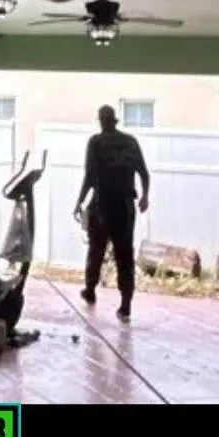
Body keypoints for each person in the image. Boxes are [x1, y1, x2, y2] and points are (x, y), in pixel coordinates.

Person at [74, 105, 150, 321]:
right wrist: (145, 196)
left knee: (96, 250)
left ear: (101, 121)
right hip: (125, 207)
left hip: (102, 205)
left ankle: (90, 290)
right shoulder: (130, 142)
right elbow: (144, 173)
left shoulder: (96, 142)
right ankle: (126, 304)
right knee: (125, 254)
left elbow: (89, 176)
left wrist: (79, 201)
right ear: (115, 120)